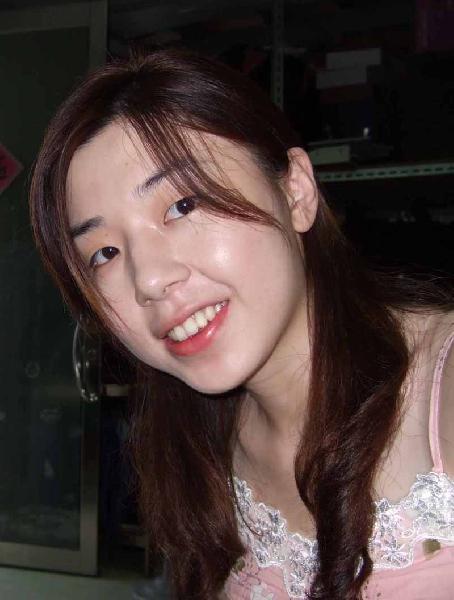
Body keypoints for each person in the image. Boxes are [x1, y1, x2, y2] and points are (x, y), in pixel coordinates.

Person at [29, 49, 454, 600]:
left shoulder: (442, 392)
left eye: (183, 205)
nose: (149, 280)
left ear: (296, 191)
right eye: (104, 253)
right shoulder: (194, 444)